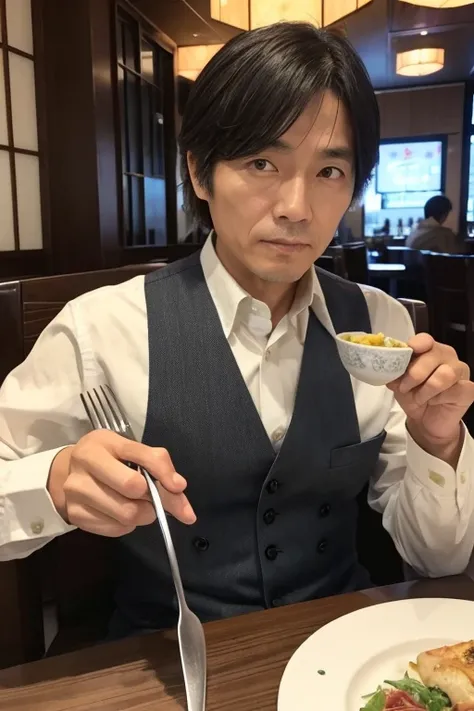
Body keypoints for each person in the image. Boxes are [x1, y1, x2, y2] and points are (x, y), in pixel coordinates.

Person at [1, 23, 474, 640]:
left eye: (330, 171)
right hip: (168, 662)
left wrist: (438, 442)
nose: (297, 207)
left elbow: (440, 562)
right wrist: (55, 482)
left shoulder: (380, 326)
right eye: (261, 162)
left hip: (348, 654)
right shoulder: (102, 329)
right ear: (200, 173)